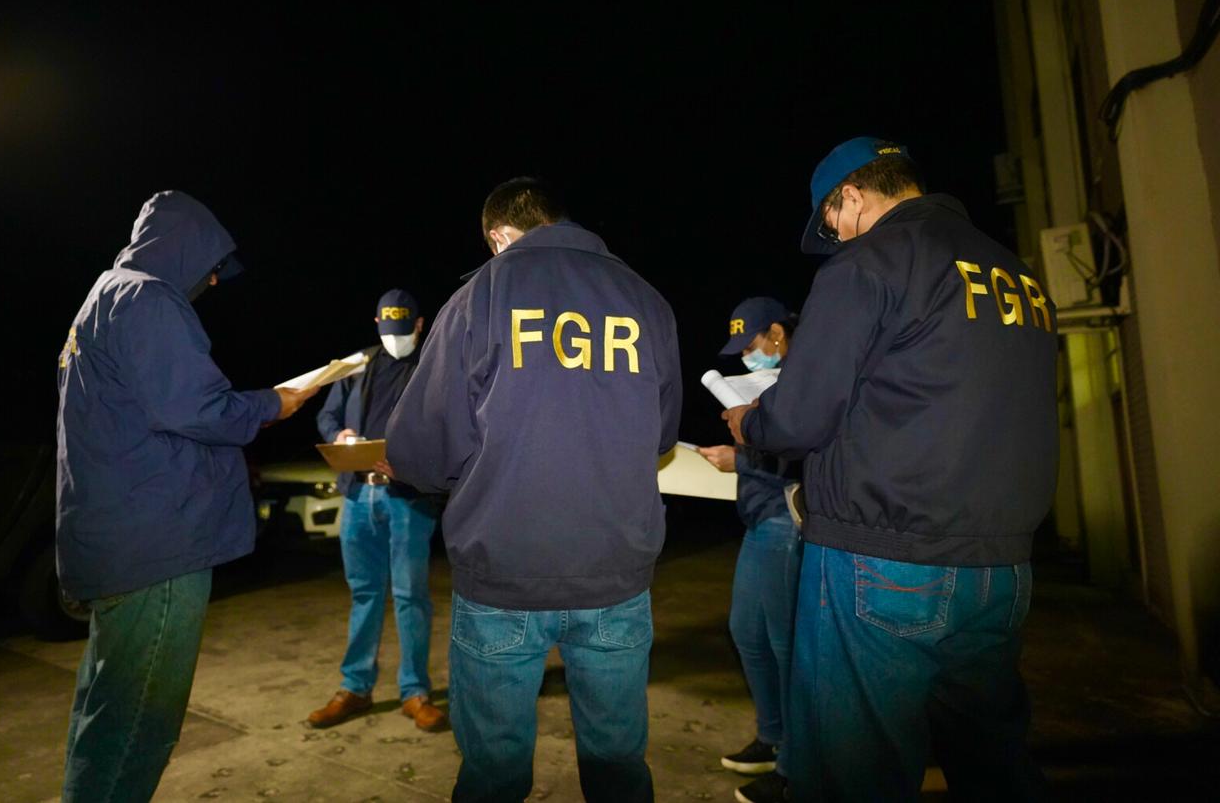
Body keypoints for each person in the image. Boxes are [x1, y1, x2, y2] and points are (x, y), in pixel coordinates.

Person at [724, 137, 1057, 802]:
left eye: (832, 223)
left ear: (851, 196)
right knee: (991, 761)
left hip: (883, 557)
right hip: (1000, 568)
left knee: (853, 772)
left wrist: (751, 424)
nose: (837, 239)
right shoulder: (1013, 272)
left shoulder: (869, 262)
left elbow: (799, 417)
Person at [386, 177, 682, 803]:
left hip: (504, 571)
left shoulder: (478, 296)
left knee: (492, 774)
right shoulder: (646, 299)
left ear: (499, 235)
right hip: (614, 571)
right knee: (618, 768)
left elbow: (418, 450)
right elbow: (662, 435)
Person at [56, 190, 318, 802]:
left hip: (117, 541)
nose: (214, 281)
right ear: (184, 249)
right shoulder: (148, 299)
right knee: (137, 727)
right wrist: (274, 404)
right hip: (157, 546)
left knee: (105, 716)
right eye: (212, 265)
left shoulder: (103, 297)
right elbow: (198, 408)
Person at [306, 289, 447, 732]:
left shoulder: (433, 367)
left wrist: (414, 458)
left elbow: (448, 426)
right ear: (376, 325)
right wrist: (340, 435)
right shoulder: (358, 365)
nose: (396, 339)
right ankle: (355, 687)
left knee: (410, 596)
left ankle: (415, 692)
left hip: (408, 499)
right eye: (389, 331)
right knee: (364, 593)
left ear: (420, 326)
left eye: (404, 330)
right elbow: (327, 416)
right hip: (358, 496)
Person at [697, 297, 801, 803]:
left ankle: (796, 766)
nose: (745, 357)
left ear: (777, 334)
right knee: (747, 633)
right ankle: (773, 737)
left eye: (750, 344)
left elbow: (807, 455)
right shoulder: (768, 382)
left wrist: (739, 460)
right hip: (759, 520)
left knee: (786, 644)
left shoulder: (803, 380)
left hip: (787, 520)